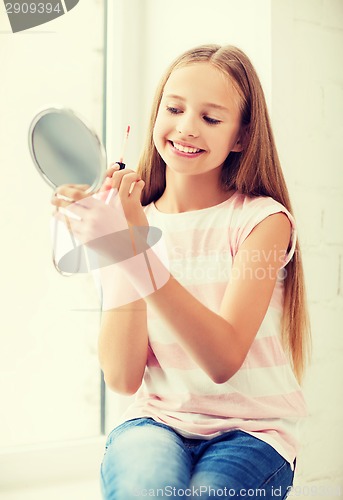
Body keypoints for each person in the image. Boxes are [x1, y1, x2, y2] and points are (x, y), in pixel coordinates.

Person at [52, 44, 311, 499]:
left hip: (253, 433)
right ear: (156, 115)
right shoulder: (135, 221)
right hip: (156, 420)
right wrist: (125, 241)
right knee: (146, 487)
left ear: (241, 136)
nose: (187, 127)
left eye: (211, 118)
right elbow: (122, 376)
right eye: (174, 108)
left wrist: (135, 251)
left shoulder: (263, 223)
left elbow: (222, 360)